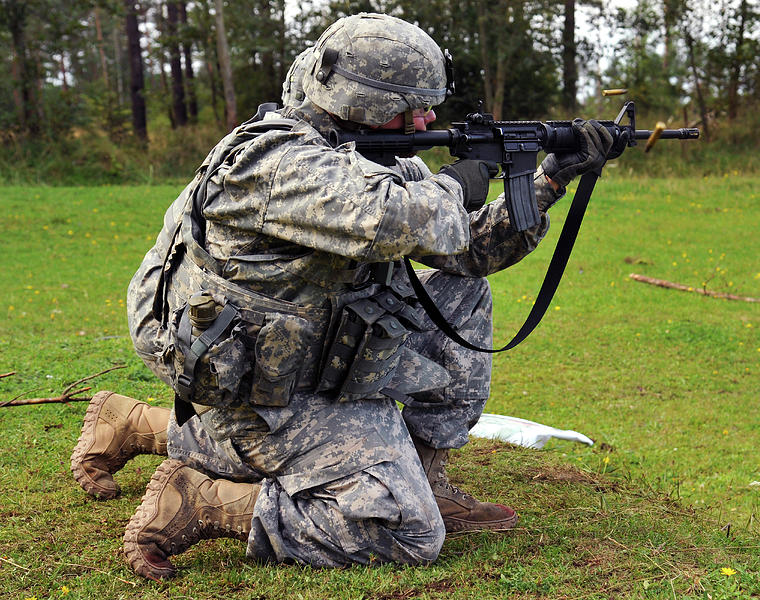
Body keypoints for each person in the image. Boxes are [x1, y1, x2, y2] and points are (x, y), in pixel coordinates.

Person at [70, 12, 611, 581]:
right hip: (251, 378)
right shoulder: (275, 162)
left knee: (464, 292)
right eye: (413, 106)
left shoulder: (369, 152)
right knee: (409, 531)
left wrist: (548, 181)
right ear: (365, 102)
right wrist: (462, 180)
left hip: (308, 346)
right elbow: (394, 219)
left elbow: (467, 251)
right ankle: (205, 498)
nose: (427, 119)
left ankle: (427, 475)